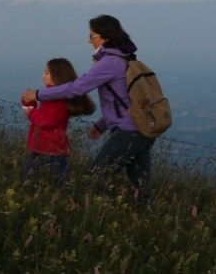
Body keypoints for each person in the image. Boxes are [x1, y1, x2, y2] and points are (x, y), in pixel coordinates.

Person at [22, 15, 156, 206]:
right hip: (142, 128)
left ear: (106, 37)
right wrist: (102, 125)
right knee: (140, 182)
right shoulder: (125, 58)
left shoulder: (111, 62)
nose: (89, 40)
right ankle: (144, 214)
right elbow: (125, 101)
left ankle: (95, 212)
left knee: (96, 176)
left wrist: (38, 94)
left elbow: (76, 88)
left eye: (92, 36)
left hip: (128, 131)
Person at [21, 58, 94, 191]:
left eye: (46, 72)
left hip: (52, 148)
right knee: (36, 181)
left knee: (56, 183)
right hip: (45, 147)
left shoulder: (56, 98)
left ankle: (67, 200)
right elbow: (43, 115)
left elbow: (46, 120)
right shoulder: (51, 96)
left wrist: (31, 112)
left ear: (57, 75)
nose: (43, 76)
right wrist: (29, 103)